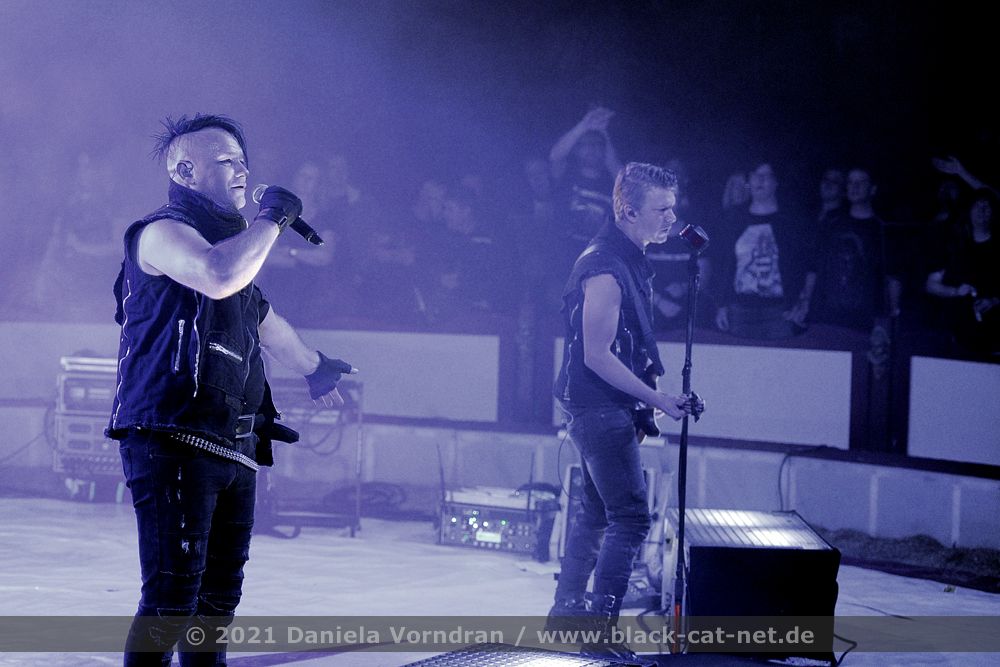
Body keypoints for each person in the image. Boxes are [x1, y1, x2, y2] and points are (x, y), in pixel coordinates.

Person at [105, 114, 356, 666]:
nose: (243, 171)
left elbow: (266, 323)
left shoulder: (234, 251)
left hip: (232, 445)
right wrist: (273, 219)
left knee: (215, 608)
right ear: (185, 171)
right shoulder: (161, 232)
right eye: (226, 162)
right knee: (171, 601)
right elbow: (218, 276)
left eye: (244, 161)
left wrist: (315, 367)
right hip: (172, 437)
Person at [550, 162, 703, 661]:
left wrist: (651, 398)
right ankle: (598, 630)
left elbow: (631, 344)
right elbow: (597, 355)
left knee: (597, 511)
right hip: (596, 406)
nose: (672, 218)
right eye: (661, 209)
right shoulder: (605, 268)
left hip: (606, 404)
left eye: (672, 207)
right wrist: (657, 401)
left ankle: (566, 613)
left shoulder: (630, 259)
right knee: (631, 517)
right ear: (627, 210)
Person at [712, 161, 815, 338]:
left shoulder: (791, 220)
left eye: (765, 176)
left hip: (781, 310)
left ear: (776, 182)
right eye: (755, 175)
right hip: (740, 310)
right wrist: (721, 305)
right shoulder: (734, 218)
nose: (759, 180)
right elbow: (724, 264)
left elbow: (808, 263)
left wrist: (803, 300)